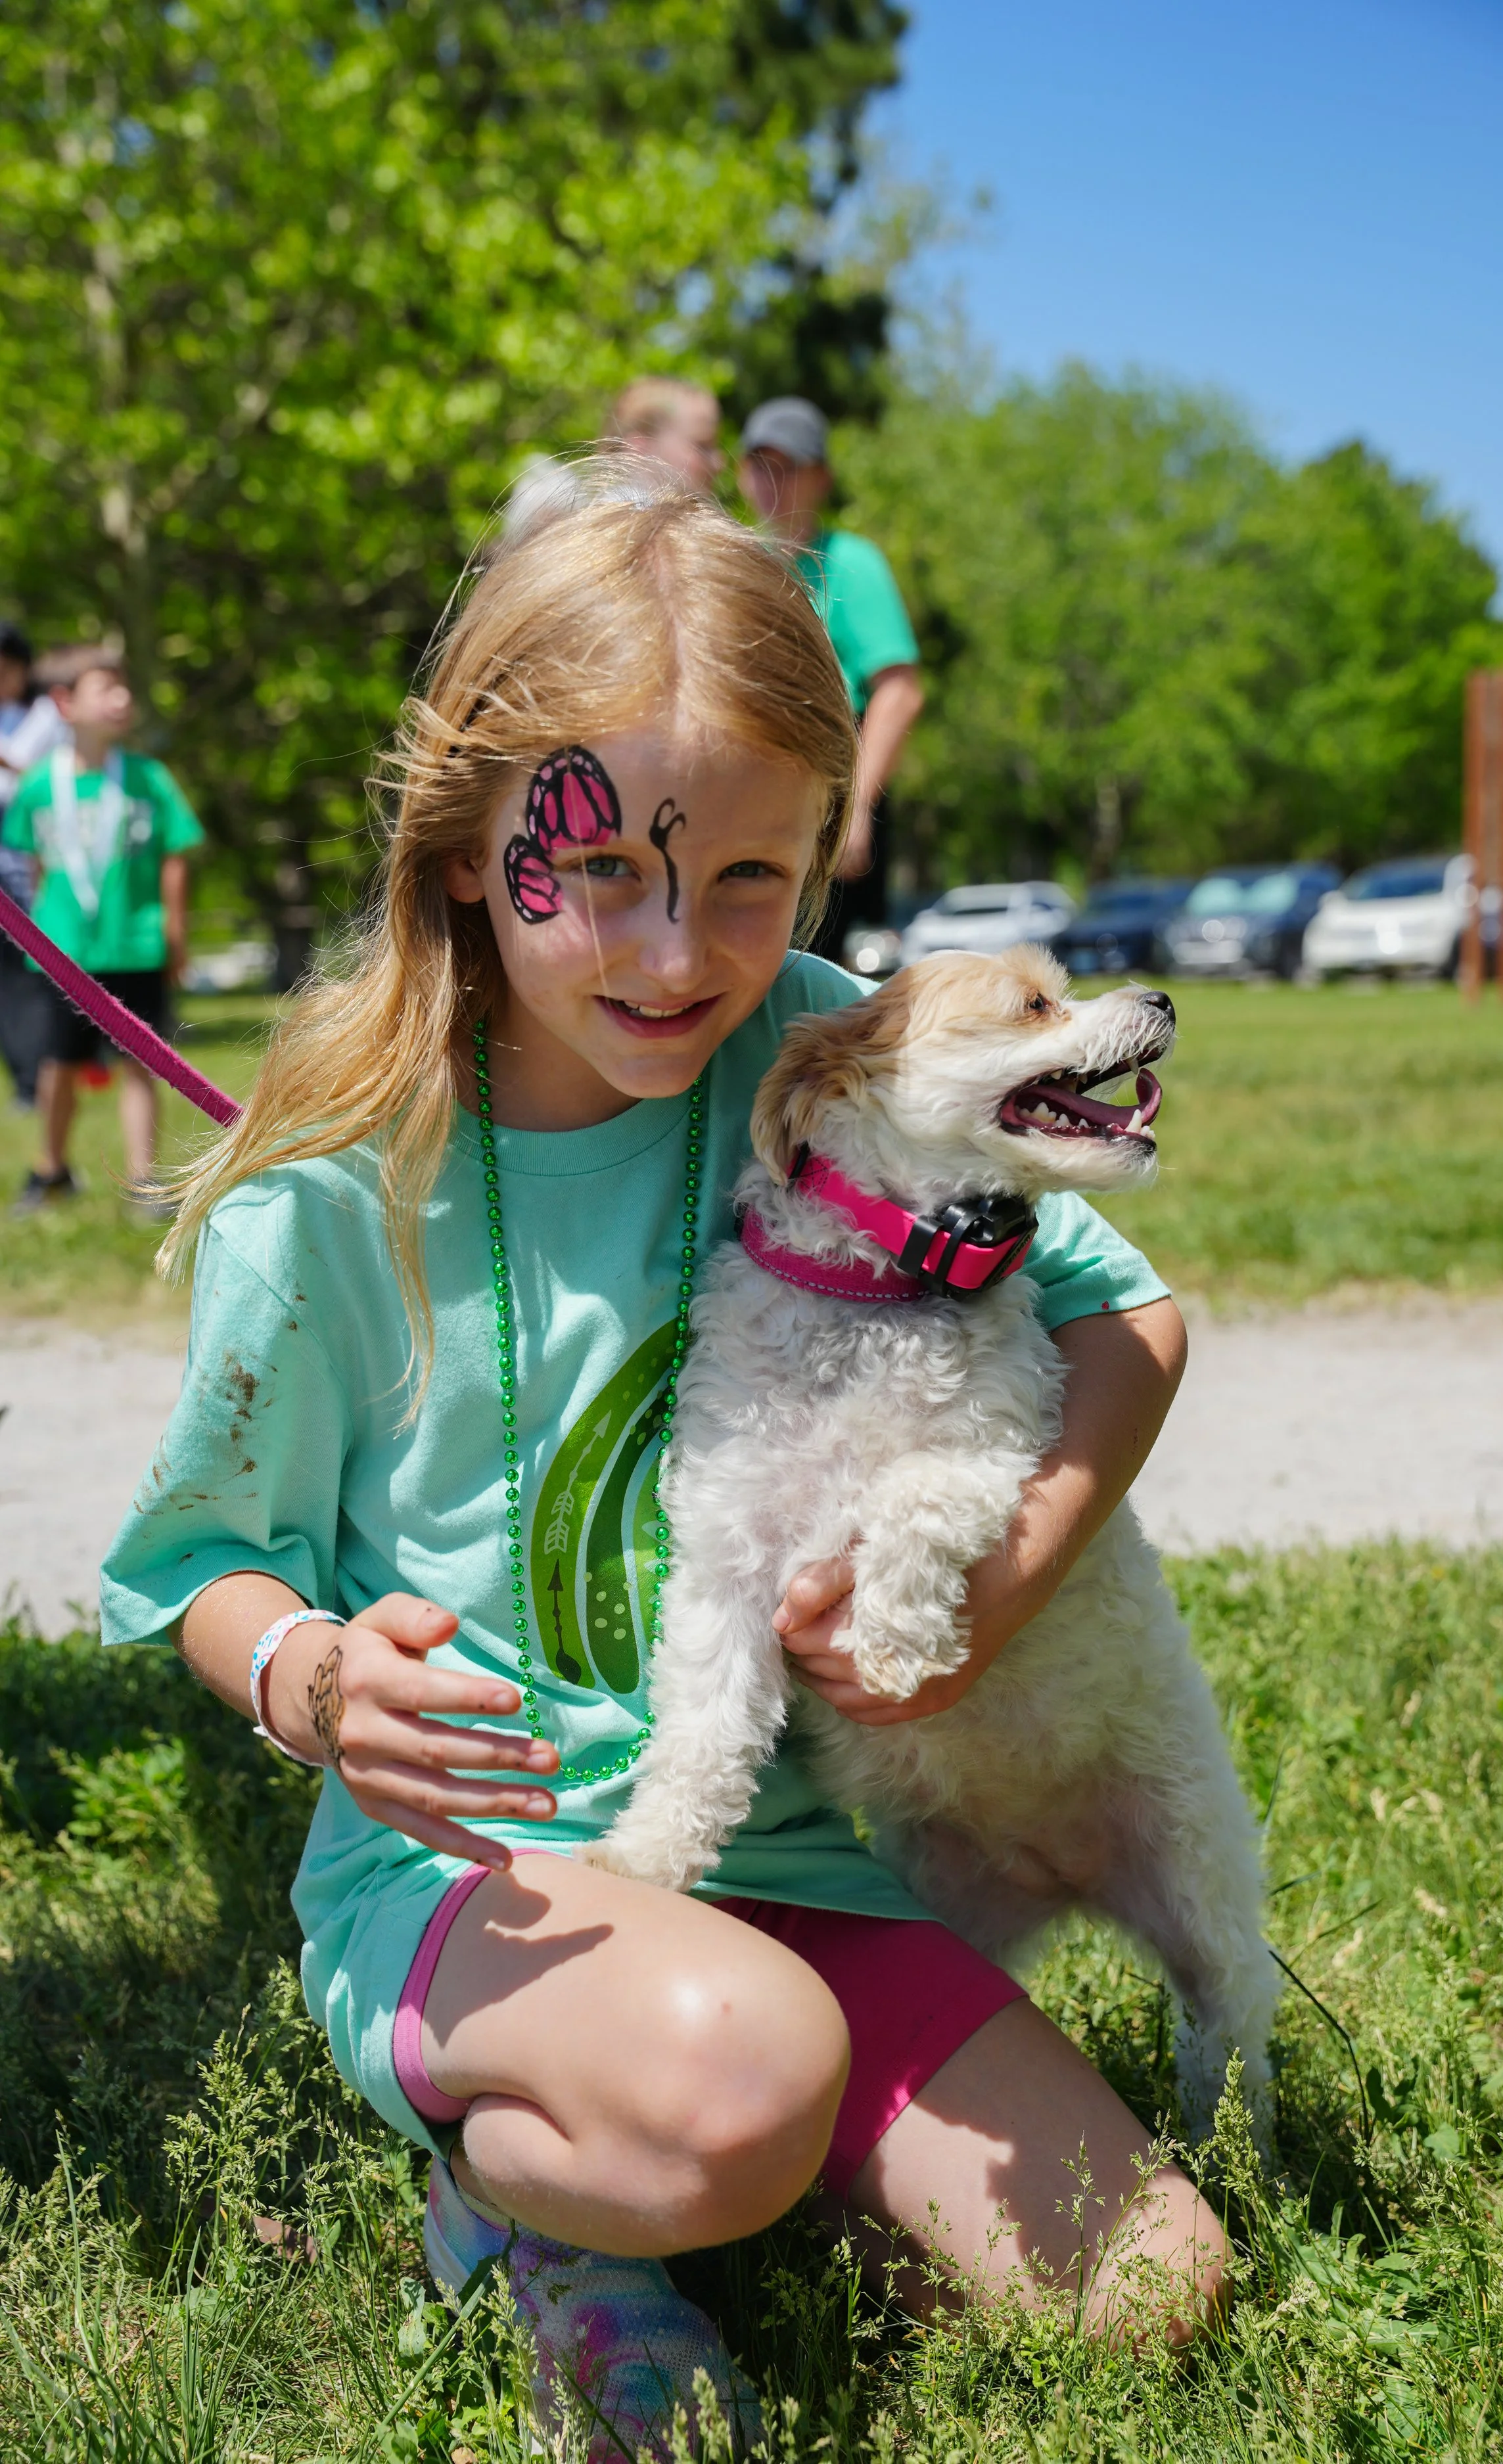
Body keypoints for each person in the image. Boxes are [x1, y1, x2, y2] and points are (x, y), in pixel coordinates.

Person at [100, 469, 1219, 2455]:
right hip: (493, 1885)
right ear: (465, 849)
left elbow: (1122, 1318)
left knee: (1147, 2286)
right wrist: (312, 1676)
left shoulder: (827, 1055)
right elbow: (205, 1560)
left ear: (816, 863)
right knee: (736, 2079)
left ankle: (730, 2155)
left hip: (804, 1866)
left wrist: (1007, 1576)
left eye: (746, 882)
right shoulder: (332, 1190)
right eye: (597, 865)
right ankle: (531, 2207)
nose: (671, 951)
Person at [3, 643, 204, 1216]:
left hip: (136, 945)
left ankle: (144, 1181)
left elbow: (176, 853)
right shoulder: (41, 783)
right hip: (62, 952)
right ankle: (51, 1170)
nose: (123, 700)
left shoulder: (148, 777)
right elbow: (35, 861)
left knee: (141, 1061)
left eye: (126, 688)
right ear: (64, 703)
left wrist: (175, 929)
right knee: (56, 1065)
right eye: (107, 689)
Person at [738, 398, 924, 965]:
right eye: (759, 465)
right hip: (750, 785)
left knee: (819, 982)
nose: (773, 482)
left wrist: (856, 808)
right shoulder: (736, 562)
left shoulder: (851, 563)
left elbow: (899, 690)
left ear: (821, 477)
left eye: (788, 467)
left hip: (830, 786)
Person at [505, 378, 724, 543]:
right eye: (703, 446)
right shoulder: (629, 529)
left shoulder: (597, 521)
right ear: (640, 446)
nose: (720, 462)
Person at [0, 622, 66, 1108]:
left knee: (30, 973)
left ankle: (36, 1082)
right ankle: (22, 1078)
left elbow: (38, 772)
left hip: (24, 856)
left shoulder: (45, 714)